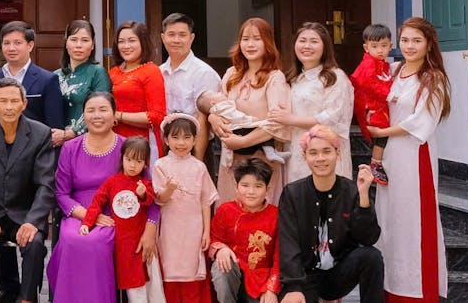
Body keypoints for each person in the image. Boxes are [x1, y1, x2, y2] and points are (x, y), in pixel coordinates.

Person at [47, 92, 160, 303]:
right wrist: (89, 216)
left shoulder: (128, 147)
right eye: (90, 110)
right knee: (72, 240)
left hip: (119, 217)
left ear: (114, 115)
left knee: (97, 242)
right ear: (83, 115)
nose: (97, 115)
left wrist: (150, 230)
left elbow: (151, 193)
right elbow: (61, 193)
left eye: (103, 110)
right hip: (79, 213)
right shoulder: (70, 148)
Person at [372, 17, 450, 302]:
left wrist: (383, 131)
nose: (409, 46)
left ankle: (419, 293)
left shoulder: (433, 78)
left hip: (415, 157)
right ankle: (390, 291)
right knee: (389, 222)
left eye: (417, 40)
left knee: (413, 222)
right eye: (405, 40)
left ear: (429, 44)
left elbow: (421, 122)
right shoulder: (392, 71)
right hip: (388, 156)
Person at [0, 78, 55, 303]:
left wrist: (33, 221)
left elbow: (45, 183)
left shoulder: (40, 133)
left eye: (14, 101)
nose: (9, 107)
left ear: (24, 103)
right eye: (3, 101)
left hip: (25, 213)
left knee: (35, 244)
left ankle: (27, 299)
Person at [278, 126, 383, 303]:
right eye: (313, 153)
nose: (320, 158)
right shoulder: (292, 193)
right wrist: (293, 286)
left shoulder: (352, 190)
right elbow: (288, 243)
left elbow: (368, 238)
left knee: (371, 256)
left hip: (338, 272)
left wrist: (364, 195)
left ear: (337, 153)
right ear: (305, 156)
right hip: (306, 277)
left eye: (327, 151)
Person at [210, 18, 291, 205]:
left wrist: (243, 141)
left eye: (256, 39)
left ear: (267, 42)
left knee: (258, 210)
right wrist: (213, 118)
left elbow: (277, 123)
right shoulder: (232, 74)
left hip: (260, 158)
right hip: (231, 158)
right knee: (231, 208)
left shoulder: (274, 78)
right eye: (245, 39)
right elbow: (219, 105)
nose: (250, 44)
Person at [271, 23, 353, 183]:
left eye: (314, 41)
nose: (307, 46)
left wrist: (291, 119)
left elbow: (332, 118)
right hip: (296, 151)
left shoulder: (335, 77)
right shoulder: (292, 78)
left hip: (325, 151)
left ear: (325, 47)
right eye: (302, 41)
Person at [78, 136, 156, 303]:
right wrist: (87, 222)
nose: (133, 165)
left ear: (145, 163)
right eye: (129, 159)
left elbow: (151, 201)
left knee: (144, 284)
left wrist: (143, 194)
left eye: (139, 161)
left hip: (139, 241)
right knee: (124, 281)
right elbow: (97, 202)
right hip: (120, 242)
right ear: (122, 158)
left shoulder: (145, 183)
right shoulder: (112, 182)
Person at [153, 113, 218, 303]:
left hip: (194, 229)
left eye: (186, 137)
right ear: (166, 140)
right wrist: (169, 189)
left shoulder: (199, 167)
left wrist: (206, 231)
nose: (181, 143)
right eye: (175, 137)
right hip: (170, 229)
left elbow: (206, 201)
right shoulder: (160, 165)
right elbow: (159, 200)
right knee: (171, 270)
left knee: (193, 271)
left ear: (194, 140)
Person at [209, 158, 281, 303]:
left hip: (262, 280)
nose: (251, 192)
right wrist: (220, 249)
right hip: (233, 273)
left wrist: (271, 288)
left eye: (258, 186)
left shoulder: (276, 215)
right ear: (236, 186)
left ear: (267, 188)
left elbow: (280, 256)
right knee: (222, 265)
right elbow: (213, 238)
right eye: (245, 185)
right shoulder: (226, 210)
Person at [159, 12, 221, 161]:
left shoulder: (204, 73)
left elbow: (203, 119)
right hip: (167, 148)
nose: (176, 40)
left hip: (197, 148)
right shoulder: (159, 72)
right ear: (163, 38)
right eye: (171, 34)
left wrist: (196, 162)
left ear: (191, 38)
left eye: (182, 35)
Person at [108, 21, 168, 157]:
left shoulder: (151, 71)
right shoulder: (113, 72)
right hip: (114, 142)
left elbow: (157, 116)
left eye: (132, 40)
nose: (126, 46)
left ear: (143, 42)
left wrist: (119, 116)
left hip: (142, 145)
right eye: (121, 41)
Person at [0, 21, 66, 133]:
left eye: (17, 43)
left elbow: (55, 127)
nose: (11, 48)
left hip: (34, 142)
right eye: (6, 43)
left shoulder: (47, 79)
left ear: (30, 45)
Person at [349, 24, 394, 185]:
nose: (379, 50)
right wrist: (389, 95)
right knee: (381, 136)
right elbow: (369, 83)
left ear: (391, 46)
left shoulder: (382, 64)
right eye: (374, 46)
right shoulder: (368, 64)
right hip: (373, 109)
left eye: (384, 45)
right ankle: (375, 163)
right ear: (366, 48)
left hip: (379, 107)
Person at [54, 19, 112, 141]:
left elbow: (101, 110)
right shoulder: (55, 75)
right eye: (73, 39)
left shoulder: (98, 72)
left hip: (88, 140)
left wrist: (72, 133)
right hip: (57, 140)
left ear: (92, 45)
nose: (78, 45)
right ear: (66, 43)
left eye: (85, 40)